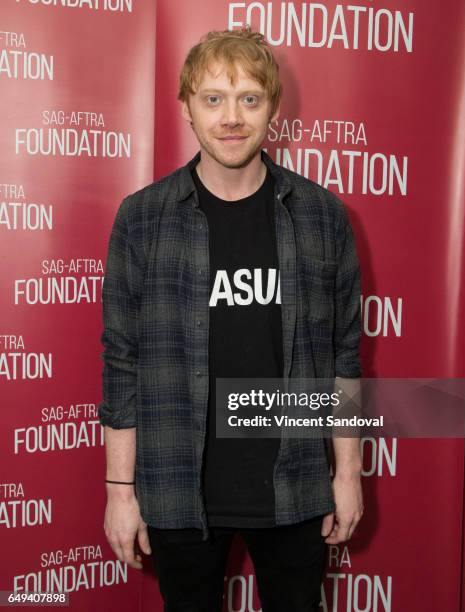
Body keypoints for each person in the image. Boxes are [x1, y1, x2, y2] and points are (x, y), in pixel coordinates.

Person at [98, 27, 363, 612]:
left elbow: (345, 356)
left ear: (273, 106)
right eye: (213, 98)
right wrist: (120, 491)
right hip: (175, 485)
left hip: (294, 485)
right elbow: (122, 363)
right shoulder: (143, 219)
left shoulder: (321, 217)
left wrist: (346, 473)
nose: (231, 117)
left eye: (249, 98)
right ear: (188, 107)